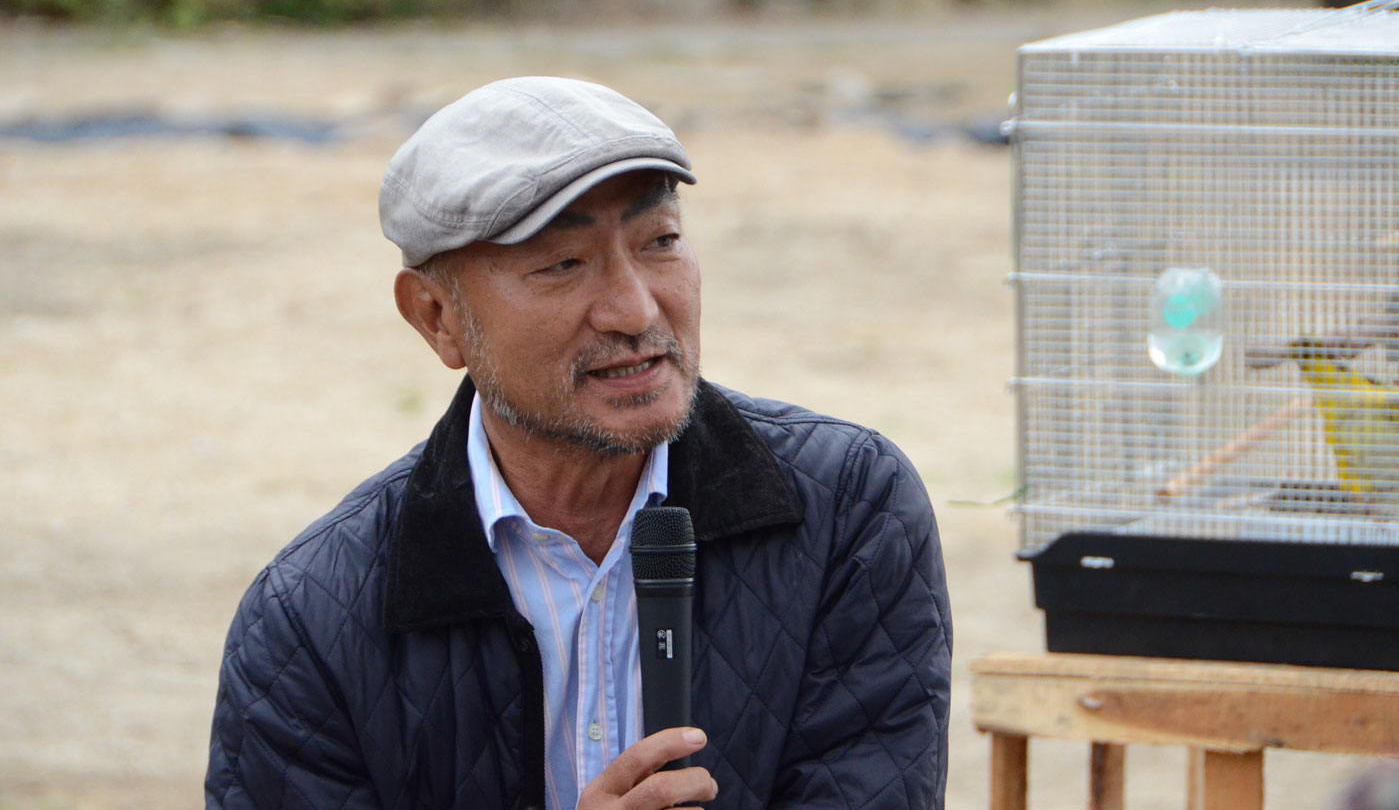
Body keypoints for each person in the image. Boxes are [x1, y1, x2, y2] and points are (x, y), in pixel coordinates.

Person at [205, 76, 952, 809]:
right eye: (563, 263)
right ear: (437, 317)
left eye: (660, 241)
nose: (635, 309)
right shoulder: (313, 620)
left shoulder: (846, 512)